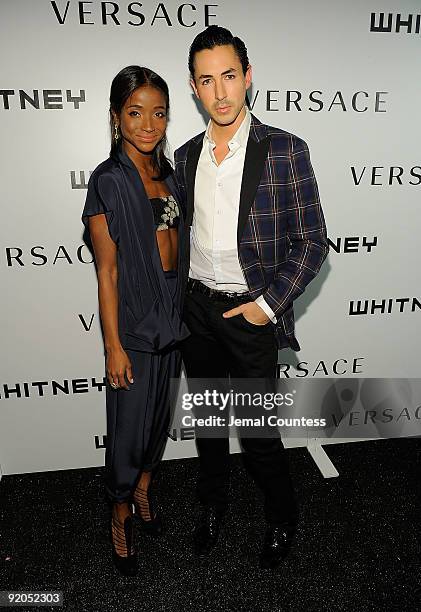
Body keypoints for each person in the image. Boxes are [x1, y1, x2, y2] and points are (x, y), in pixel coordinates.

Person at [174, 26, 329, 569]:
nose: (220, 93)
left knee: (260, 435)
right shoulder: (186, 155)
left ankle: (281, 515)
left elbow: (313, 241)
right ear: (194, 89)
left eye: (230, 77)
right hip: (197, 311)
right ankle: (211, 507)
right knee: (212, 429)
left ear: (249, 76)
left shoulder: (285, 149)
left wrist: (267, 307)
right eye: (207, 81)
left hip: (250, 313)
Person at [82, 65, 189, 576]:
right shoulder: (107, 182)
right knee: (127, 428)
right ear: (116, 117)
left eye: (159, 112)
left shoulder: (168, 176)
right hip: (133, 318)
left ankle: (144, 490)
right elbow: (106, 271)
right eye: (135, 112)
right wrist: (113, 347)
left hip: (173, 309)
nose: (149, 124)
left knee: (157, 420)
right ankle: (119, 512)